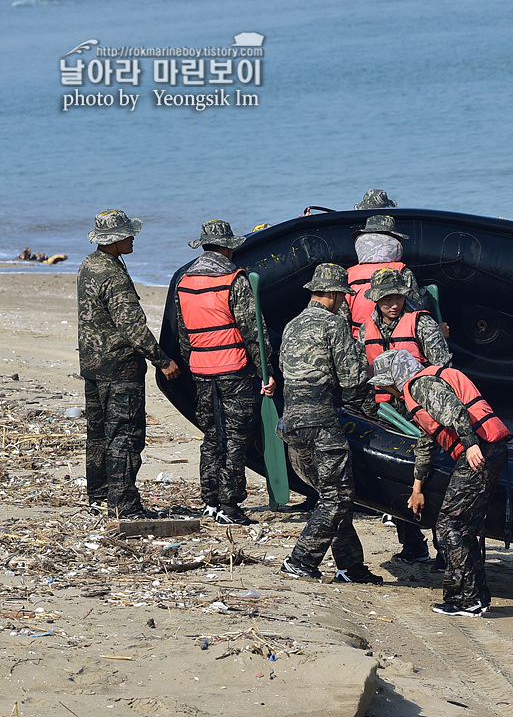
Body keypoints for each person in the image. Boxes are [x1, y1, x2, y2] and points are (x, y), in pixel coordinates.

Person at [370, 350, 511, 616]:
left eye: (385, 382)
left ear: (395, 377)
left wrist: (469, 445)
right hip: (487, 450)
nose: (385, 389)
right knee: (460, 526)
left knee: (451, 525)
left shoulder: (420, 384)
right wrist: (417, 488)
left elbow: (455, 410)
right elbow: (426, 442)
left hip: (480, 450)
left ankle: (465, 600)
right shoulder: (420, 389)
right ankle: (475, 597)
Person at [278, 263, 383, 585]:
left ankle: (350, 567)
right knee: (337, 496)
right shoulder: (334, 324)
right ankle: (301, 559)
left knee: (331, 495)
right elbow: (352, 378)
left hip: (290, 420)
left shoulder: (292, 324)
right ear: (337, 294)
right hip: (321, 420)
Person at [78, 209, 181, 519]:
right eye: (127, 234)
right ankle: (125, 506)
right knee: (125, 435)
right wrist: (163, 360)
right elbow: (131, 326)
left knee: (98, 434)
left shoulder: (89, 265)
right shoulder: (112, 273)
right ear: (114, 240)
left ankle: (98, 497)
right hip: (120, 366)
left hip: (93, 364)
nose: (133, 237)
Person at [176, 219, 276, 525]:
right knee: (235, 436)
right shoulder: (234, 278)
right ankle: (230, 506)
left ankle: (210, 501)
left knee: (211, 435)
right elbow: (252, 329)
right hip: (233, 368)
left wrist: (191, 363)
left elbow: (183, 335)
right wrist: (266, 371)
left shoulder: (184, 280)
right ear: (225, 247)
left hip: (200, 369)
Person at [361, 267, 452, 564]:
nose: (393, 303)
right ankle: (412, 544)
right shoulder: (366, 329)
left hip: (422, 406)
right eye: (386, 298)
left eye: (397, 297)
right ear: (376, 299)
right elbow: (364, 370)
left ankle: (445, 549)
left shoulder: (421, 323)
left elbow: (442, 366)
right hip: (386, 409)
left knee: (433, 476)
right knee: (397, 478)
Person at [344, 215, 425, 339]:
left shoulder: (349, 275)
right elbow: (416, 308)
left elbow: (343, 316)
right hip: (398, 339)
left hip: (360, 339)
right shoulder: (402, 272)